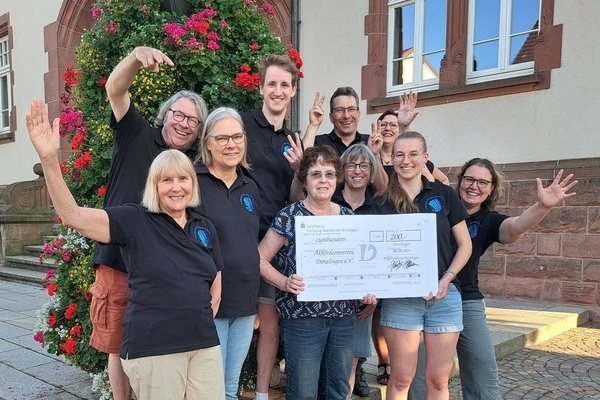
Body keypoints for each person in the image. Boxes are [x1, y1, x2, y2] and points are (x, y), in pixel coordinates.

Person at [26, 100, 225, 400]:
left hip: (203, 346)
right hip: (155, 348)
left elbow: (215, 273)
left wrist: (210, 303)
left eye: (183, 178)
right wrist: (50, 160)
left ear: (193, 183)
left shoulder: (203, 226)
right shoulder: (134, 220)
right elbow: (74, 216)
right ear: (153, 185)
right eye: (166, 180)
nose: (176, 187)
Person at [90, 46, 208, 400]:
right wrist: (135, 56)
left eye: (193, 121)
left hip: (164, 273)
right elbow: (115, 89)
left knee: (160, 351)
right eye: (179, 115)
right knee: (118, 347)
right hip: (119, 264)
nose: (184, 124)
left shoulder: (188, 171)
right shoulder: (137, 133)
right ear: (164, 115)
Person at [409, 158, 577, 400]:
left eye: (482, 182)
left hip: (466, 299)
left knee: (481, 367)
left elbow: (515, 227)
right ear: (460, 181)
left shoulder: (488, 219)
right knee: (422, 374)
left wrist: (542, 206)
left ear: (491, 188)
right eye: (469, 179)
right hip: (429, 297)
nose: (474, 186)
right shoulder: (439, 206)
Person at [257, 145, 377, 400]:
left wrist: (368, 291)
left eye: (329, 174)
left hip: (344, 319)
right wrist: (284, 281)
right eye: (316, 174)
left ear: (337, 179)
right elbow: (259, 258)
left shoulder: (349, 218)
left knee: (337, 391)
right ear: (304, 179)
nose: (323, 180)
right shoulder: (289, 216)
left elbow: (362, 267)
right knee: (303, 393)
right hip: (302, 321)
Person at [375, 131, 472, 400]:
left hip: (444, 296)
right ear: (392, 159)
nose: (406, 161)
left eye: (413, 154)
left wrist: (447, 278)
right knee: (401, 378)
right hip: (401, 299)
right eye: (399, 155)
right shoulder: (381, 202)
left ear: (425, 157)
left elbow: (465, 244)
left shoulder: (444, 194)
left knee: (438, 381)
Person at [240, 54, 302, 400]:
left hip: (274, 244)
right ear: (261, 88)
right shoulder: (242, 125)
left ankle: (262, 393)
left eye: (284, 85)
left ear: (293, 91)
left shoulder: (293, 139)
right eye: (272, 84)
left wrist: (298, 171)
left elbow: (293, 199)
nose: (278, 91)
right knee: (232, 319)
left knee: (270, 326)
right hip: (239, 239)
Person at [194, 107, 261, 400]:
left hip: (244, 301)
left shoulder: (250, 187)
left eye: (237, 137)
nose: (231, 144)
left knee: (230, 388)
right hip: (210, 302)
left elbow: (251, 241)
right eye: (222, 138)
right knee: (211, 389)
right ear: (207, 142)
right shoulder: (193, 182)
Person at [333, 143, 381, 398]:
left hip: (363, 298)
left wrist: (376, 295)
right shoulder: (329, 200)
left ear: (371, 170)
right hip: (330, 295)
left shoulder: (378, 207)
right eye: (351, 165)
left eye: (364, 165)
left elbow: (382, 256)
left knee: (351, 360)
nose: (357, 171)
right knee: (330, 361)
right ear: (343, 170)